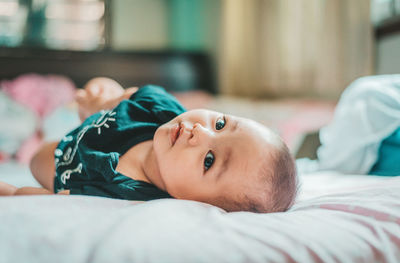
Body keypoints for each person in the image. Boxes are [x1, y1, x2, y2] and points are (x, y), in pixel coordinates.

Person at [0, 77, 298, 213]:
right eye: (220, 124)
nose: (199, 131)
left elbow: (53, 202)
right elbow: (120, 93)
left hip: (51, 170)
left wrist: (14, 193)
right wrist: (101, 94)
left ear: (194, 203)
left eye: (209, 160)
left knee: (32, 168)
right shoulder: (163, 110)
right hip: (76, 130)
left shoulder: (131, 197)